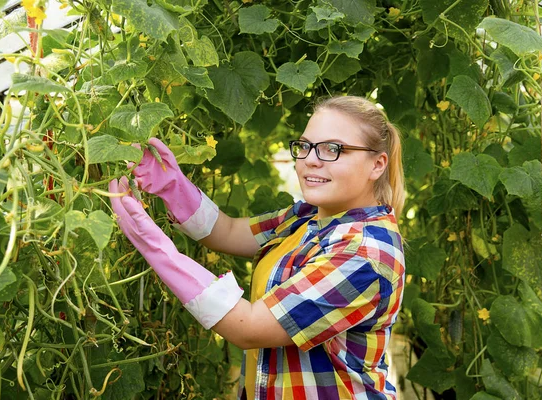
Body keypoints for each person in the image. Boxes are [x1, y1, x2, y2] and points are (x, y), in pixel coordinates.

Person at [108, 95, 406, 399]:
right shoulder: (307, 218)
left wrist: (156, 247)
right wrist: (172, 186)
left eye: (333, 149)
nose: (310, 159)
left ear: (377, 164)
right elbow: (227, 230)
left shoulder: (365, 253)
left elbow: (248, 327)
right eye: (304, 146)